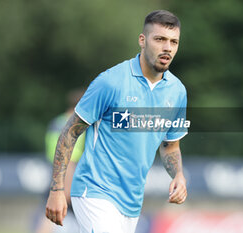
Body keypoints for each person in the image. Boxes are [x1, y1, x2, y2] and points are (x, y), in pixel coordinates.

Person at [45, 10, 188, 233]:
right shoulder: (111, 82)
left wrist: (178, 174)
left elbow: (171, 145)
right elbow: (69, 132)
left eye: (173, 41)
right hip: (94, 191)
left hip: (131, 203)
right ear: (142, 40)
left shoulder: (177, 92)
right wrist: (56, 191)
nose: (167, 47)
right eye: (159, 39)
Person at [35, 90, 85, 233]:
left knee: (48, 215)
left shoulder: (56, 122)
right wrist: (66, 186)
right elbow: (71, 157)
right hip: (69, 171)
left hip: (53, 169)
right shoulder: (77, 125)